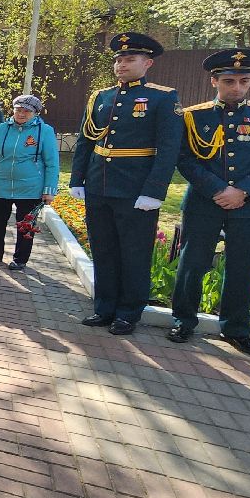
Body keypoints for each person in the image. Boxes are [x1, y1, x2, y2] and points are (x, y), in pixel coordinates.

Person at [168, 50, 250, 358]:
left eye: (243, 81)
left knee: (242, 268)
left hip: (249, 206)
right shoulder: (192, 115)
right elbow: (184, 158)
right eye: (229, 81)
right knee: (192, 264)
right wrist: (217, 189)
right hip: (204, 203)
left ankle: (236, 330)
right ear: (214, 81)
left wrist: (243, 191)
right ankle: (183, 320)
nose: (236, 87)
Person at [69, 33, 181, 335]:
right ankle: (104, 308)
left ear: (148, 63)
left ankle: (128, 312)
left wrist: (154, 191)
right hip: (99, 186)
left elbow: (168, 149)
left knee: (134, 252)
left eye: (129, 59)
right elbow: (86, 141)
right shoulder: (101, 97)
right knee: (103, 249)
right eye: (118, 60)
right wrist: (77, 179)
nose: (121, 65)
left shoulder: (162, 97)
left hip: (135, 190)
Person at [0, 94, 57, 269]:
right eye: (18, 110)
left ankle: (20, 259)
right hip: (1, 185)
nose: (21, 114)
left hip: (30, 188)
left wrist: (49, 190)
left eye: (26, 111)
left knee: (25, 227)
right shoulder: (1, 128)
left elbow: (52, 163)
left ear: (35, 113)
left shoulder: (45, 131)